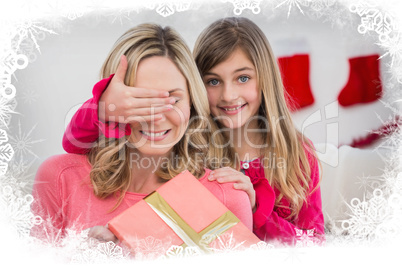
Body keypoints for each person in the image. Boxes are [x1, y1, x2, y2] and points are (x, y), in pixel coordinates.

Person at [61, 17, 325, 245]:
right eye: (213, 81)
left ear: (264, 78)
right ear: (195, 86)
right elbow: (75, 141)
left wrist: (257, 210)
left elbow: (313, 246)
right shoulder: (186, 140)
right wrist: (105, 107)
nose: (229, 95)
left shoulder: (297, 154)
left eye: (243, 78)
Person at [31, 23, 252, 247]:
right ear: (111, 103)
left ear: (192, 104)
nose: (155, 117)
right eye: (139, 101)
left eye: (172, 100)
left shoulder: (227, 198)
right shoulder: (59, 178)